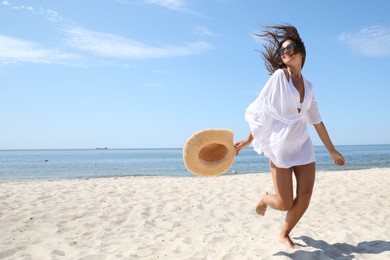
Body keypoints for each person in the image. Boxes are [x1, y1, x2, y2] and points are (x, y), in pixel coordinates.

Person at [234, 24, 346, 249]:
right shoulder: (279, 78)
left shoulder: (310, 86)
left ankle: (284, 233)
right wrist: (248, 140)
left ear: (301, 52)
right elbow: (261, 110)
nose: (285, 52)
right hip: (280, 148)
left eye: (290, 47)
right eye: (281, 50)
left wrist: (332, 150)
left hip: (303, 146)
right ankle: (266, 198)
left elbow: (317, 121)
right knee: (285, 202)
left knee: (304, 196)